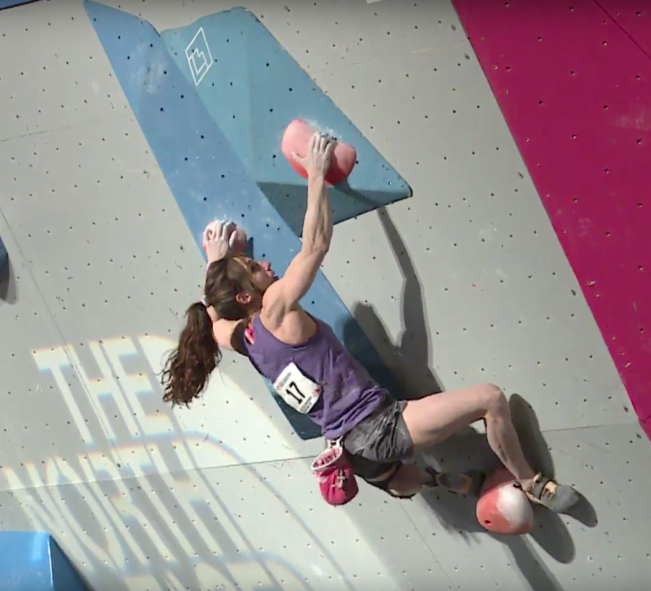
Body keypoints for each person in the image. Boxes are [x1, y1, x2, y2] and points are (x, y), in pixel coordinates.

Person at [161, 132, 578, 512]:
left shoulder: (244, 338)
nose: (266, 263)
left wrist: (217, 263)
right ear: (246, 296)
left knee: (400, 480)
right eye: (255, 267)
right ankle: (532, 482)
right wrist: (316, 175)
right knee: (490, 398)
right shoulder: (274, 309)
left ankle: (438, 480)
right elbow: (316, 245)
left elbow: (212, 318)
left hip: (349, 450)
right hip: (378, 426)